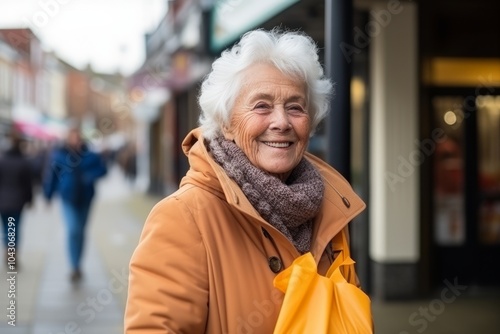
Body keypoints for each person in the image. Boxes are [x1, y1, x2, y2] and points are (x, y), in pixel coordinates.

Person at [124, 28, 367, 333]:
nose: (281, 122)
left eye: (295, 107)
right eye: (261, 106)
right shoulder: (183, 217)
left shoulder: (329, 211)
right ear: (226, 123)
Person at [43, 127, 107, 282]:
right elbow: (52, 176)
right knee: (73, 230)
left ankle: (78, 264)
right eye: (73, 137)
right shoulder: (59, 155)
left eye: (78, 137)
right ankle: (73, 266)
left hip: (86, 198)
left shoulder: (90, 155)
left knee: (81, 231)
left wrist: (90, 176)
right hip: (67, 198)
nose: (75, 140)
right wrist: (48, 195)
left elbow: (103, 170)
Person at [0, 130, 34, 268]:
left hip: (2, 201)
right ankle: (12, 255)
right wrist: (30, 200)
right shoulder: (24, 162)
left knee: (6, 229)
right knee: (14, 228)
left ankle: (8, 252)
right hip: (17, 202)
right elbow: (28, 185)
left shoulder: (2, 161)